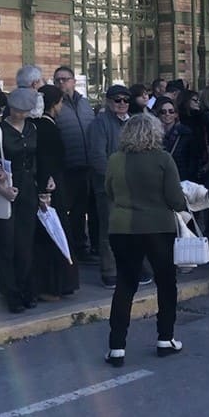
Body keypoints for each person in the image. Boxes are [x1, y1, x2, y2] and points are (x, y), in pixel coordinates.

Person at [102, 114, 189, 367]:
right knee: (166, 282)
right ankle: (165, 338)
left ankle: (116, 346)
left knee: (125, 284)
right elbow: (175, 199)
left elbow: (109, 191)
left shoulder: (115, 159)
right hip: (158, 227)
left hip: (122, 228)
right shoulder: (163, 159)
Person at [0, 88, 43, 313]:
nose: (20, 114)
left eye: (24, 111)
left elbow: (38, 158)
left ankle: (26, 288)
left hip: (28, 187)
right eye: (16, 110)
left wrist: (44, 186)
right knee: (6, 243)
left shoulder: (32, 128)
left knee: (25, 242)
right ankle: (10, 292)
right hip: (7, 186)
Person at [32, 85, 80, 299]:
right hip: (50, 187)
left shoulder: (40, 126)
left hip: (51, 183)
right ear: (54, 104)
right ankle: (53, 285)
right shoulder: (47, 127)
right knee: (54, 234)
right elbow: (47, 159)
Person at [53, 66, 98, 266]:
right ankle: (76, 248)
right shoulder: (55, 105)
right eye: (57, 80)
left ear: (73, 81)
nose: (61, 83)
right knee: (73, 210)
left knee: (90, 208)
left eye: (65, 79)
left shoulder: (85, 103)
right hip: (69, 165)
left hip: (89, 164)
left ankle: (91, 246)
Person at [88, 85, 132, 288]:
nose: (122, 103)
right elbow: (97, 156)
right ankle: (110, 271)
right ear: (108, 101)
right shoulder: (100, 124)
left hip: (132, 185)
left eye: (125, 100)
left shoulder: (132, 122)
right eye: (117, 100)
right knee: (110, 229)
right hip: (108, 186)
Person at [153, 96, 198, 182]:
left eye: (171, 111)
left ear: (176, 114)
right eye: (163, 112)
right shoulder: (153, 135)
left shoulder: (186, 133)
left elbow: (192, 160)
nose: (167, 114)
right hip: (160, 177)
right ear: (158, 114)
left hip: (181, 177)